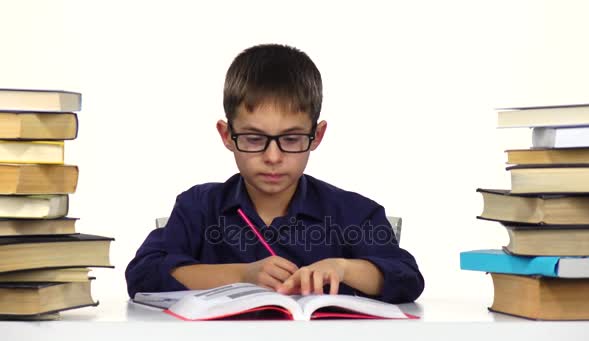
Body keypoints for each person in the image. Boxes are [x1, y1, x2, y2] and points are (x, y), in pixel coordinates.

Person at [125, 44, 424, 303]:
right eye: (254, 139)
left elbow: (408, 277)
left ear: (316, 136)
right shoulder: (198, 207)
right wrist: (243, 274)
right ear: (227, 135)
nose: (272, 157)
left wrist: (344, 268)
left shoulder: (353, 212)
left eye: (291, 139)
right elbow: (143, 275)